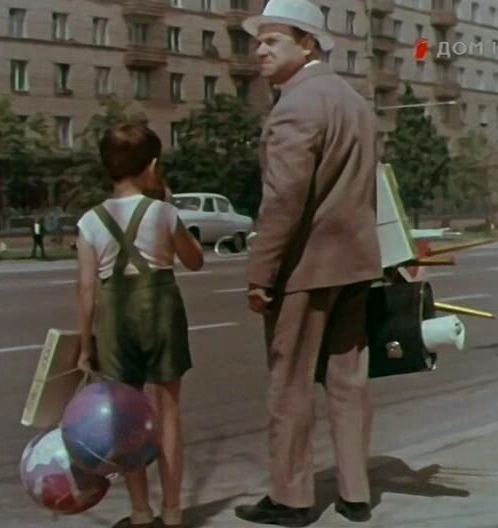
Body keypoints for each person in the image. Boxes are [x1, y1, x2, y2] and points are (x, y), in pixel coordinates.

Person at [235, 0, 383, 525]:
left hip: (305, 268)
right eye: (258, 41)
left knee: (290, 382)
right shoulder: (354, 102)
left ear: (308, 44)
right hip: (356, 264)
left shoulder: (296, 105)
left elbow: (283, 200)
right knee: (349, 380)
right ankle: (355, 492)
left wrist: (261, 274)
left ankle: (291, 498)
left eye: (272, 41)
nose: (260, 50)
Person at [75, 124, 204, 528]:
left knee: (126, 416)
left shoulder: (90, 221)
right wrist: (168, 203)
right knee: (169, 412)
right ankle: (172, 511)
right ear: (152, 166)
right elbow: (195, 261)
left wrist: (85, 347)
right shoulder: (163, 212)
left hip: (114, 316)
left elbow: (86, 288)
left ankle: (140, 512)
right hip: (161, 308)